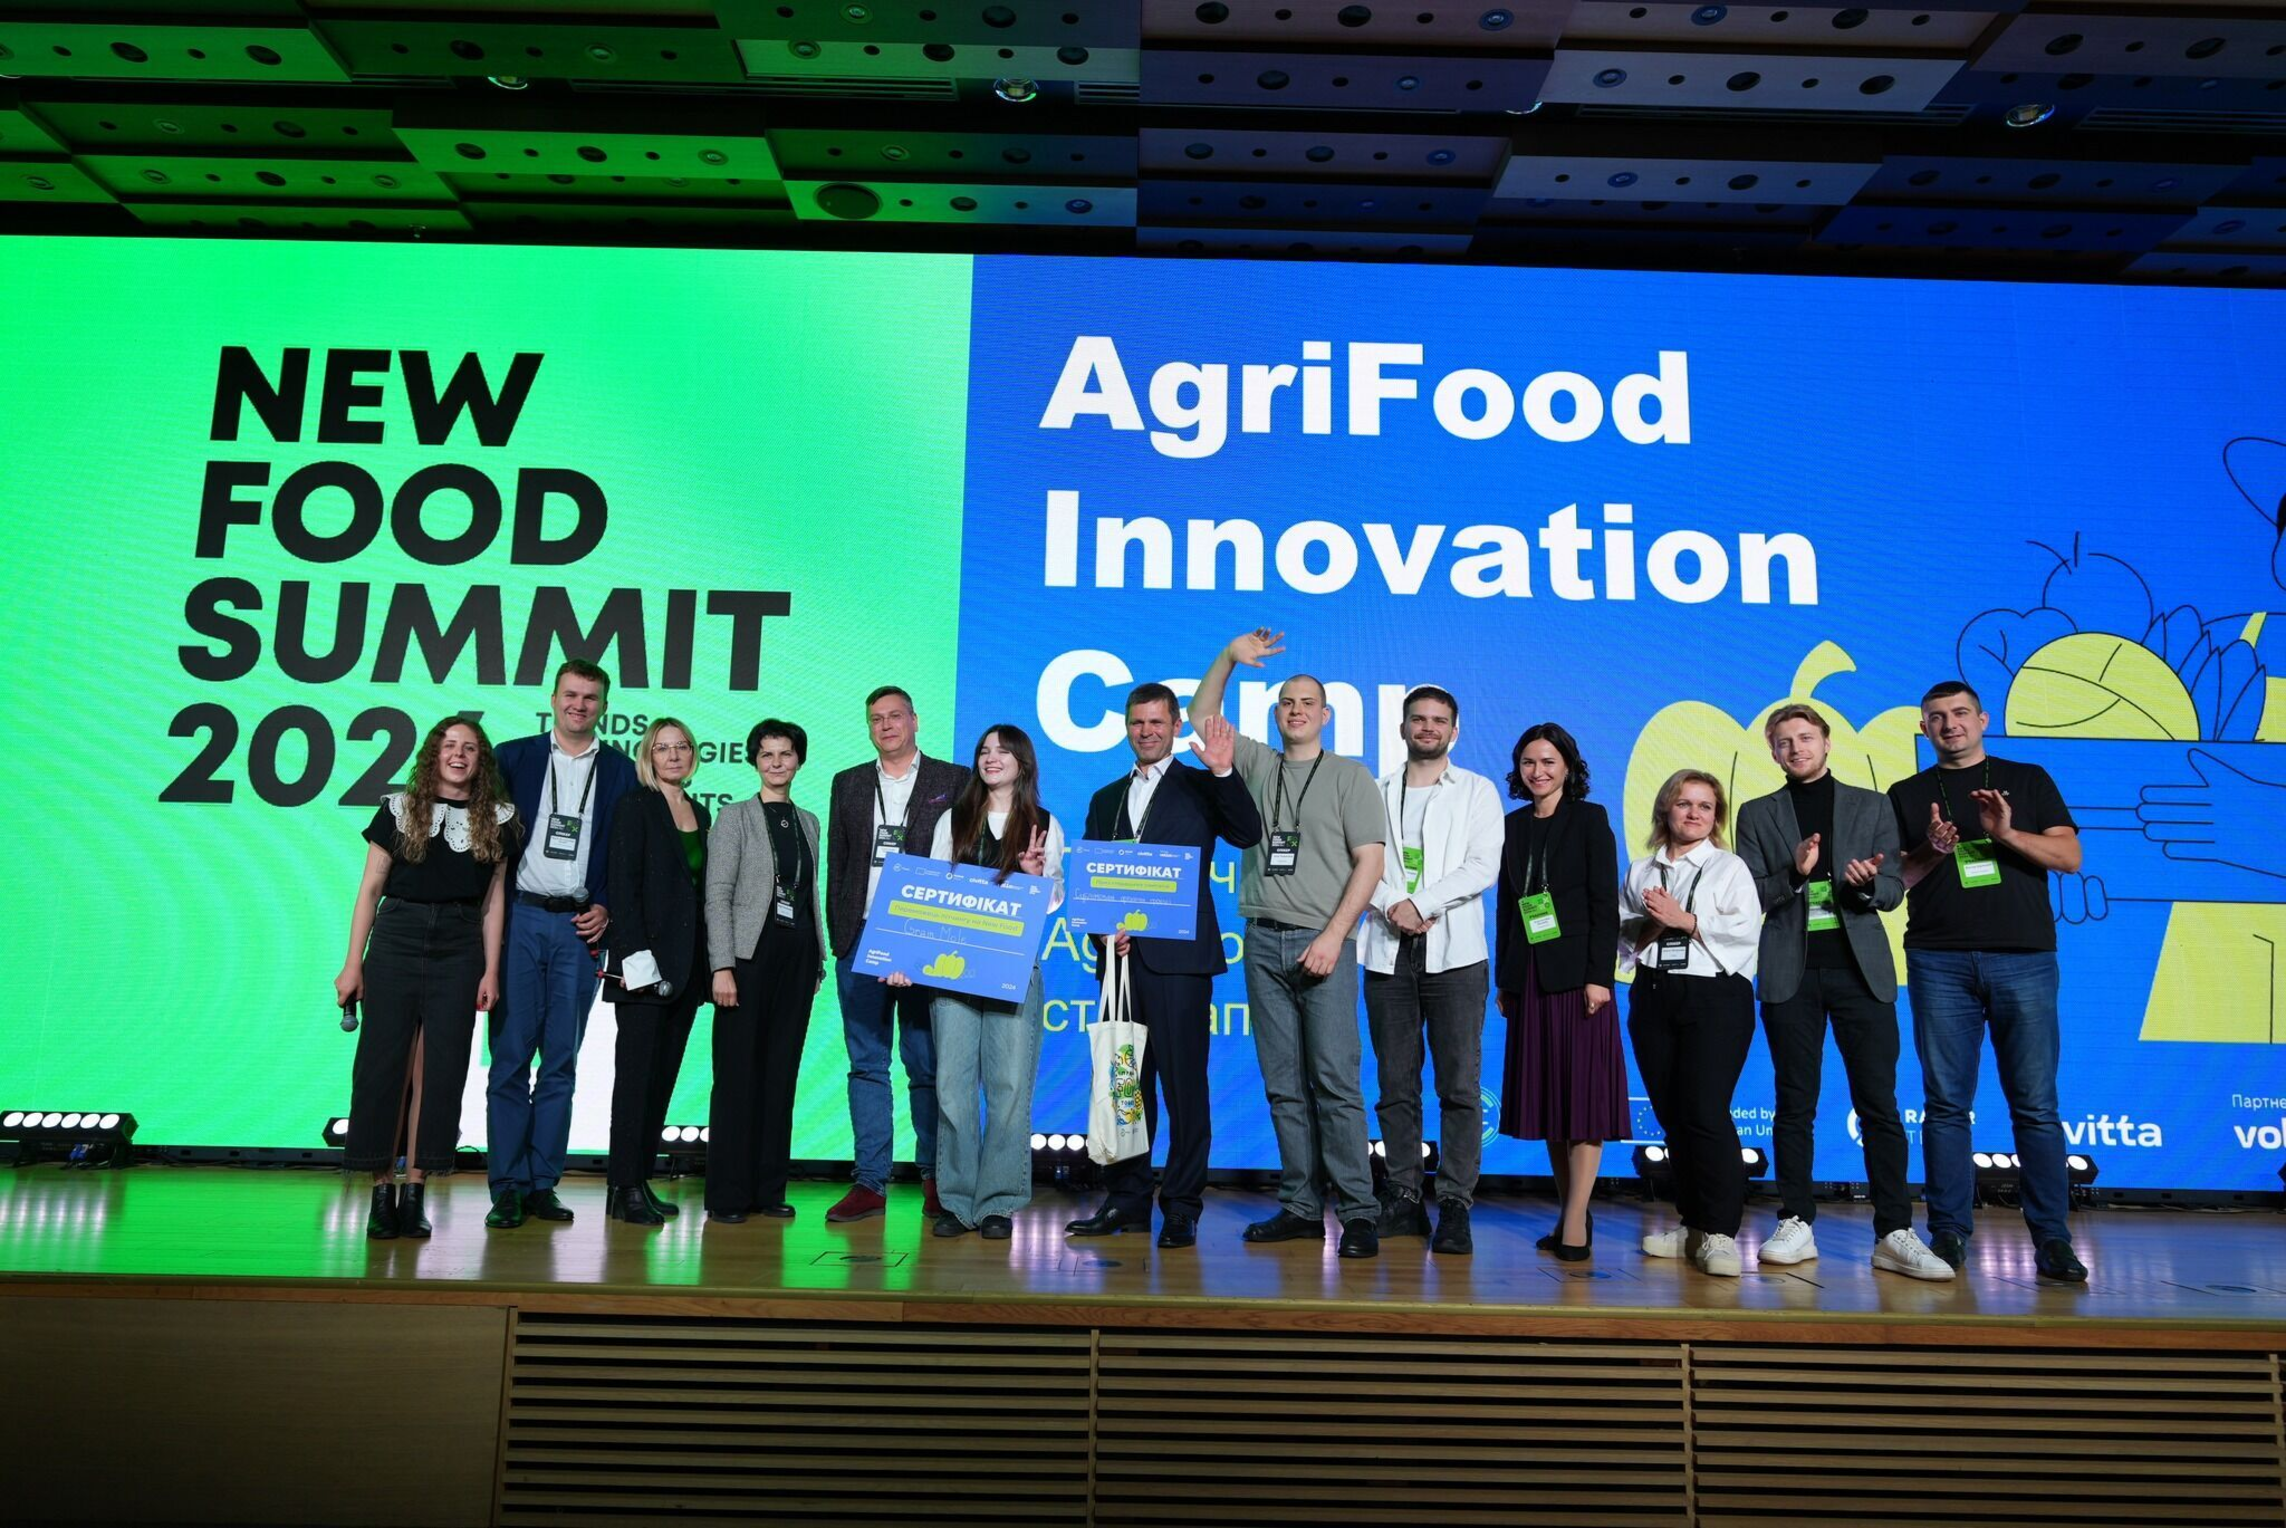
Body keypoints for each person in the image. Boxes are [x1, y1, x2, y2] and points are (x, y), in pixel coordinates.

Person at [1738, 706, 1954, 1281]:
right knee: (1795, 1102)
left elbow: (1893, 890)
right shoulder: (1756, 813)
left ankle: (1894, 1230)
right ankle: (1796, 1220)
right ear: (1772, 752)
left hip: (1861, 972)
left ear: (1827, 742)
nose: (1796, 748)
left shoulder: (1872, 804)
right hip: (1790, 971)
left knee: (1879, 1104)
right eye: (1784, 742)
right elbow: (1749, 896)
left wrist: (1865, 885)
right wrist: (1794, 873)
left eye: (1805, 737)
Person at [1190, 628, 1387, 1259]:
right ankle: (1301, 1206)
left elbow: (1371, 862)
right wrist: (1228, 657)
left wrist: (1334, 935)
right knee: (1282, 1085)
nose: (1296, 710)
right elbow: (1201, 715)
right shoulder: (1257, 764)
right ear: (1276, 714)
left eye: (1307, 703)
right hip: (1263, 941)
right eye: (1286, 703)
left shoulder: (1351, 777)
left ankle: (1359, 1211)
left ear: (1326, 716)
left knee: (1335, 1083)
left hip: (1323, 943)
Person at [1888, 681, 2087, 1283]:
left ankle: (2052, 1239)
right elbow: (1896, 882)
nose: (1949, 725)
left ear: (1982, 719)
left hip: (2023, 957)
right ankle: (1948, 1234)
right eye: (1936, 717)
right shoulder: (1907, 793)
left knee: (2036, 1106)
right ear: (1924, 728)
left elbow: (2069, 857)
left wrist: (2005, 834)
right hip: (1938, 960)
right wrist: (1931, 849)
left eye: (1960, 714)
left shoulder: (2027, 779)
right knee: (1946, 1105)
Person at [1065, 688, 1262, 1250]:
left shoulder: (1201, 784)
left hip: (1179, 963)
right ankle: (1126, 1199)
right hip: (1120, 963)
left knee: (1183, 1087)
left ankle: (1181, 1204)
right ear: (1127, 727)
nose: (1146, 731)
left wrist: (1223, 772)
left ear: (1176, 725)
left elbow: (1247, 833)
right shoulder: (1105, 798)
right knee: (1126, 1085)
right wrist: (1103, 929)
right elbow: (1094, 880)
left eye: (1157, 721)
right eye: (1137, 722)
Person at [335, 718, 516, 1240]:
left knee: (439, 1071)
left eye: (470, 748)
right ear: (434, 754)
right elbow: (370, 889)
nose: (459, 754)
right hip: (396, 936)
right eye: (449, 745)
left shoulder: (499, 818)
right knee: (382, 1068)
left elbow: (493, 902)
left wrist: (490, 969)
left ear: (481, 760)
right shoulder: (398, 808)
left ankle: (414, 1193)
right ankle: (381, 1193)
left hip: (459, 944)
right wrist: (352, 963)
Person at [893, 725, 1065, 1240]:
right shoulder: (954, 818)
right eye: (984, 750)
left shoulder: (1044, 824)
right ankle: (956, 1200)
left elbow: (1053, 901)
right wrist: (908, 956)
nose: (992, 758)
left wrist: (1035, 878)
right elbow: (930, 893)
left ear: (1022, 762)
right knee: (952, 1087)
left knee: (1009, 1088)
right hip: (953, 971)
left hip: (1013, 970)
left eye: (1003, 751)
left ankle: (998, 1202)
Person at [487, 660, 637, 1229]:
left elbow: (625, 855)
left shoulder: (622, 770)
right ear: (553, 699)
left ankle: (541, 1184)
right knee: (509, 1058)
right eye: (571, 695)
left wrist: (608, 906)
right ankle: (506, 1186)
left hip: (580, 928)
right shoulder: (512, 758)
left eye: (590, 698)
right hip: (521, 920)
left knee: (561, 1062)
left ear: (604, 707)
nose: (579, 705)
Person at [1360, 686, 1503, 1256]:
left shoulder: (1477, 790)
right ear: (1402, 728)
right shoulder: (1374, 791)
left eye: (1439, 720)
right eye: (1418, 719)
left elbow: (1482, 866)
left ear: (1454, 731)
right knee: (1396, 1085)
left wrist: (1420, 903)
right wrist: (1392, 903)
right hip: (1388, 950)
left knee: (1459, 1087)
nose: (1427, 728)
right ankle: (1402, 1195)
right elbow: (1357, 861)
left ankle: (1455, 1203)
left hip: (1455, 955)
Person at [824, 687, 969, 1223]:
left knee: (926, 1065)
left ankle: (936, 1178)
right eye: (876, 719)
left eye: (895, 716)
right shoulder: (848, 782)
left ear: (915, 721)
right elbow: (838, 863)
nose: (885, 726)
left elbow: (964, 860)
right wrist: (839, 937)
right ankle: (870, 1182)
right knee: (866, 1064)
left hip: (922, 939)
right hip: (860, 938)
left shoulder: (954, 780)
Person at [1622, 769, 1760, 1278]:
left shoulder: (1729, 867)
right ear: (1667, 808)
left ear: (1716, 816)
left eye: (1705, 806)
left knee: (1705, 1110)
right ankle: (1694, 1223)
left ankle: (1721, 1231)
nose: (1694, 813)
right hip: (1653, 992)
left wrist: (1685, 920)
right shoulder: (1641, 870)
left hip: (1715, 994)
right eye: (1685, 803)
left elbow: (1745, 933)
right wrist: (1653, 924)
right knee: (1672, 1113)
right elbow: (1624, 942)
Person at [1493, 722, 1621, 1263]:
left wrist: (1600, 977)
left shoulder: (1590, 820)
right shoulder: (1512, 825)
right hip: (1528, 977)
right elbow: (1506, 907)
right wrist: (1505, 979)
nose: (1538, 771)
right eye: (1529, 762)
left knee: (1582, 1102)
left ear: (1568, 766)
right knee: (1551, 1101)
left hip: (1578, 979)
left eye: (1548, 761)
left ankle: (1574, 1224)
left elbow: (1603, 905)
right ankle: (1572, 1212)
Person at [704, 719, 826, 1223]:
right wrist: (722, 966)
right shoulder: (733, 817)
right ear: (755, 761)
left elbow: (807, 893)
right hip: (747, 959)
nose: (777, 763)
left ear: (799, 760)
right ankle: (728, 1195)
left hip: (798, 958)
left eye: (786, 753)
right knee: (737, 1075)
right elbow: (717, 895)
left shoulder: (809, 821)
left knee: (781, 1073)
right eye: (767, 754)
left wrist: (818, 958)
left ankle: (769, 1188)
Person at [600, 718, 713, 1227]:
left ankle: (639, 1179)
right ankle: (622, 1185)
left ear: (692, 754)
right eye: (663, 748)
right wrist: (635, 960)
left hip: (686, 971)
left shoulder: (700, 812)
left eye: (681, 746)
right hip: (642, 970)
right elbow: (622, 888)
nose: (673, 755)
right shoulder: (635, 806)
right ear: (649, 756)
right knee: (634, 1082)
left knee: (661, 1080)